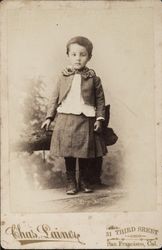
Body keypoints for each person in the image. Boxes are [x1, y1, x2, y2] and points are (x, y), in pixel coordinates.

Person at [41, 36, 107, 195]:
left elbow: (100, 100)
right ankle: (71, 181)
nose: (78, 58)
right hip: (66, 118)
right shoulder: (62, 76)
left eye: (82, 54)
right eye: (74, 54)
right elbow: (54, 97)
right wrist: (49, 117)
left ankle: (84, 179)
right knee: (69, 151)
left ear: (89, 57)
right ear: (68, 56)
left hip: (86, 118)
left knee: (84, 151)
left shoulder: (94, 78)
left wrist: (99, 118)